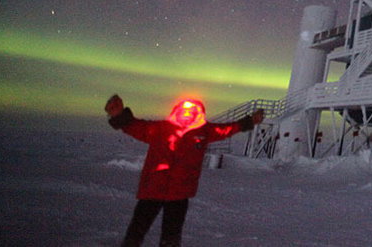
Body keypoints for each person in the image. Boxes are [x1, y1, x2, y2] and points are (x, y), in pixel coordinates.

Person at [105, 94, 264, 247]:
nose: (187, 113)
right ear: (176, 111)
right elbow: (135, 126)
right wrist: (119, 115)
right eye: (184, 110)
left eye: (192, 110)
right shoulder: (160, 129)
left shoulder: (203, 132)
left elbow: (228, 128)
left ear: (199, 114)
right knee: (136, 231)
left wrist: (250, 121)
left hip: (179, 194)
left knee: (171, 235)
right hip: (152, 190)